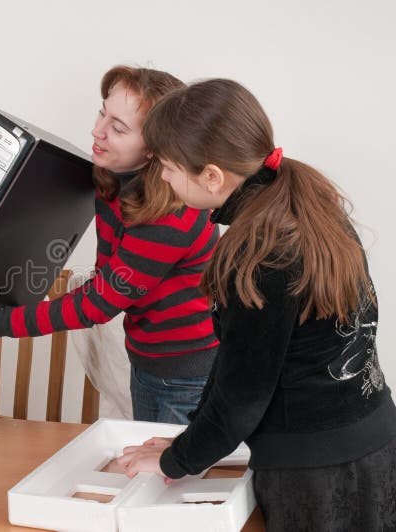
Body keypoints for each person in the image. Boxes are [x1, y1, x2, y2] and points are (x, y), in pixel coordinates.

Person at [119, 79, 396, 530]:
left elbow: (241, 398)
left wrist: (175, 462)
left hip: (316, 474)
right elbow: (240, 366)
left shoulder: (257, 255)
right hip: (377, 439)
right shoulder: (311, 206)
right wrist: (185, 447)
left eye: (168, 167)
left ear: (211, 176)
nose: (162, 178)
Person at [0, 66, 220, 424]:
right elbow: (105, 271)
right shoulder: (112, 182)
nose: (97, 131)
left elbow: (101, 302)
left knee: (172, 476)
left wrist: (3, 318)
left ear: (154, 151)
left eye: (118, 127)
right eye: (103, 112)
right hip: (146, 360)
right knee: (150, 470)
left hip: (188, 379)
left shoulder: (173, 215)